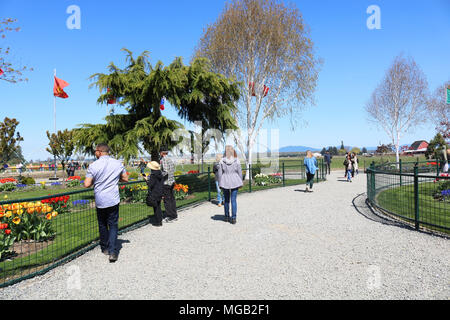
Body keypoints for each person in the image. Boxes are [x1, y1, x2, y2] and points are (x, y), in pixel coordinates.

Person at [83, 143, 129, 263]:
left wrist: (96, 180)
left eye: (95, 151)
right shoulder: (118, 163)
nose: (94, 153)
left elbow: (87, 184)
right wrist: (114, 178)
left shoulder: (93, 165)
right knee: (113, 224)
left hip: (100, 199)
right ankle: (113, 251)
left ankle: (105, 248)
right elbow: (125, 178)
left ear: (99, 152)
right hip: (113, 199)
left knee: (102, 224)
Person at [217, 145, 243, 224]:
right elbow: (240, 172)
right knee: (234, 200)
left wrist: (220, 183)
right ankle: (234, 218)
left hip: (225, 180)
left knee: (226, 200)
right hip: (235, 180)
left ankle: (227, 216)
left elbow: (220, 174)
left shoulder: (221, 161)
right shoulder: (237, 160)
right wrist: (241, 181)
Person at [159, 146, 178, 222]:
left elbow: (165, 171)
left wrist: (159, 175)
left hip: (166, 182)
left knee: (167, 200)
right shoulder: (170, 159)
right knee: (172, 199)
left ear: (162, 153)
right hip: (171, 181)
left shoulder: (164, 159)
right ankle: (174, 215)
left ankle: (170, 216)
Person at [145, 161, 164, 227]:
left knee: (156, 207)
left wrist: (147, 180)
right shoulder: (160, 174)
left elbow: (151, 185)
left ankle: (158, 221)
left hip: (154, 192)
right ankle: (160, 220)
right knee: (158, 206)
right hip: (160, 192)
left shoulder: (153, 175)